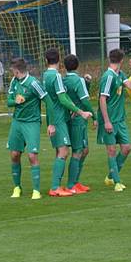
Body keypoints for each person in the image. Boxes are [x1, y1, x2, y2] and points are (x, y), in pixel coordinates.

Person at [42, 48, 92, 197]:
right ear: (59, 61)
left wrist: (72, 109)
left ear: (46, 61)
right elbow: (62, 99)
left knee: (62, 151)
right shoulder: (56, 76)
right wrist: (80, 111)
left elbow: (55, 99)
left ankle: (60, 185)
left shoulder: (45, 76)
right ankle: (55, 187)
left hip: (56, 117)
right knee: (63, 151)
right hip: (58, 119)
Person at [7, 57, 48, 200]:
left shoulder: (34, 83)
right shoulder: (14, 82)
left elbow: (46, 99)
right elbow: (9, 102)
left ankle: (36, 190)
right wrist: (16, 102)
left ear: (17, 71)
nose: (12, 73)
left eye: (12, 71)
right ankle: (17, 187)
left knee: (32, 156)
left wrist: (51, 122)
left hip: (32, 123)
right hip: (17, 122)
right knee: (14, 154)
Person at [97, 48, 131, 192]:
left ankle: (110, 176)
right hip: (110, 120)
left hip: (120, 120)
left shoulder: (120, 74)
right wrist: (107, 121)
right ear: (121, 60)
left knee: (127, 148)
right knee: (112, 150)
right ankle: (117, 182)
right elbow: (102, 99)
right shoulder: (108, 77)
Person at [62, 54, 96, 193]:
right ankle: (71, 185)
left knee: (84, 150)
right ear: (78, 65)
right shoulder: (78, 80)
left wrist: (87, 84)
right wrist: (94, 116)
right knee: (78, 151)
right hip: (78, 119)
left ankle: (75, 181)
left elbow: (74, 95)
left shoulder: (63, 80)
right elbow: (85, 100)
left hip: (69, 117)